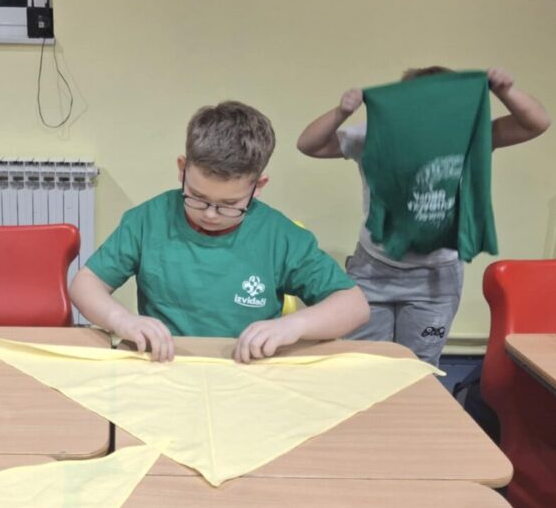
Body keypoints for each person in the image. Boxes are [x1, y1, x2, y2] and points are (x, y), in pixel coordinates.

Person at [70, 101, 369, 364]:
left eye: (229, 204)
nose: (210, 214)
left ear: (258, 186)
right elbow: (86, 284)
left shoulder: (280, 236)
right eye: (198, 197)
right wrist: (121, 320)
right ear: (182, 169)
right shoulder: (147, 221)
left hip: (248, 370)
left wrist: (293, 327)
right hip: (165, 365)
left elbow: (354, 306)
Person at [295, 66, 550, 364]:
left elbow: (536, 123)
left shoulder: (467, 134)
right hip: (374, 268)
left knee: (418, 364)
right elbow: (308, 144)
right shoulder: (375, 134)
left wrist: (505, 91)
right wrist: (342, 111)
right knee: (362, 361)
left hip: (436, 277)